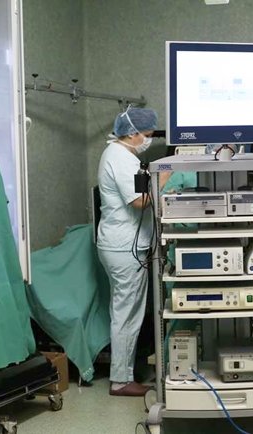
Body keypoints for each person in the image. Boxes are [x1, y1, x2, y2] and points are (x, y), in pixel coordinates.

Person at [96, 107, 171, 396]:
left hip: (124, 244)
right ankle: (120, 380)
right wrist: (166, 174)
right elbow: (139, 201)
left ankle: (124, 375)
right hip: (123, 245)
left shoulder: (122, 156)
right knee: (126, 314)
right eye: (147, 135)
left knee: (126, 312)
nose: (148, 140)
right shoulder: (119, 157)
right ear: (131, 133)